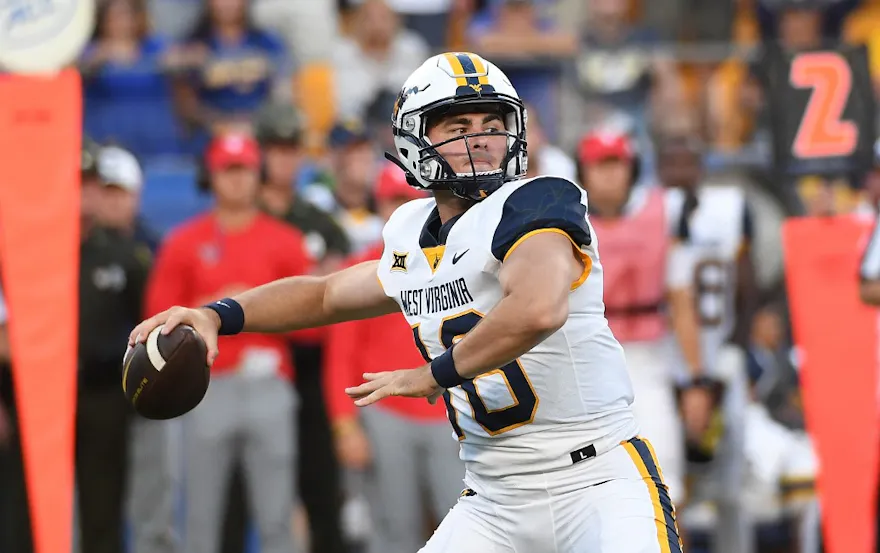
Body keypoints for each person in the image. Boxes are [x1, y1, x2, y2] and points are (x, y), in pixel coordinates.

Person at [131, 52, 686, 553]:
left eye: (493, 125)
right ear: (413, 141)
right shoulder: (410, 232)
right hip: (494, 500)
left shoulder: (538, 201)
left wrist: (434, 374)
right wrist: (217, 315)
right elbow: (326, 294)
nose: (481, 140)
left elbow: (539, 307)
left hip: (596, 481)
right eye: (459, 126)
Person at [146, 132, 310, 553]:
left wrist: (258, 309)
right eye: (228, 171)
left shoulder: (285, 240)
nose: (237, 181)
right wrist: (212, 308)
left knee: (277, 516)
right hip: (205, 387)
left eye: (245, 171)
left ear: (258, 176)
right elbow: (154, 319)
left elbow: (316, 325)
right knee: (201, 515)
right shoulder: (183, 242)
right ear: (211, 177)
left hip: (268, 382)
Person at [324, 163, 463, 553]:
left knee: (464, 526)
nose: (397, 209)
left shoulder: (453, 259)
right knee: (391, 530)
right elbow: (341, 354)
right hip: (385, 414)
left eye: (405, 199)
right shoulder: (365, 265)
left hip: (447, 412)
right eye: (390, 200)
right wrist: (345, 426)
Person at [575, 128, 710, 512]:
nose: (609, 175)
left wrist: (696, 380)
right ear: (583, 172)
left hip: (650, 359)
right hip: (589, 364)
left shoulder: (664, 212)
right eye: (599, 166)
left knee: (667, 483)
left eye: (616, 164)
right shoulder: (566, 221)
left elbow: (681, 299)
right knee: (594, 492)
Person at [656, 128, 758, 553]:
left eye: (687, 162)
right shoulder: (651, 211)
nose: (679, 172)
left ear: (701, 167)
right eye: (670, 164)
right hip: (663, 363)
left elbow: (747, 285)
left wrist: (735, 351)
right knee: (668, 480)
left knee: (731, 483)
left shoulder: (730, 208)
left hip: (719, 357)